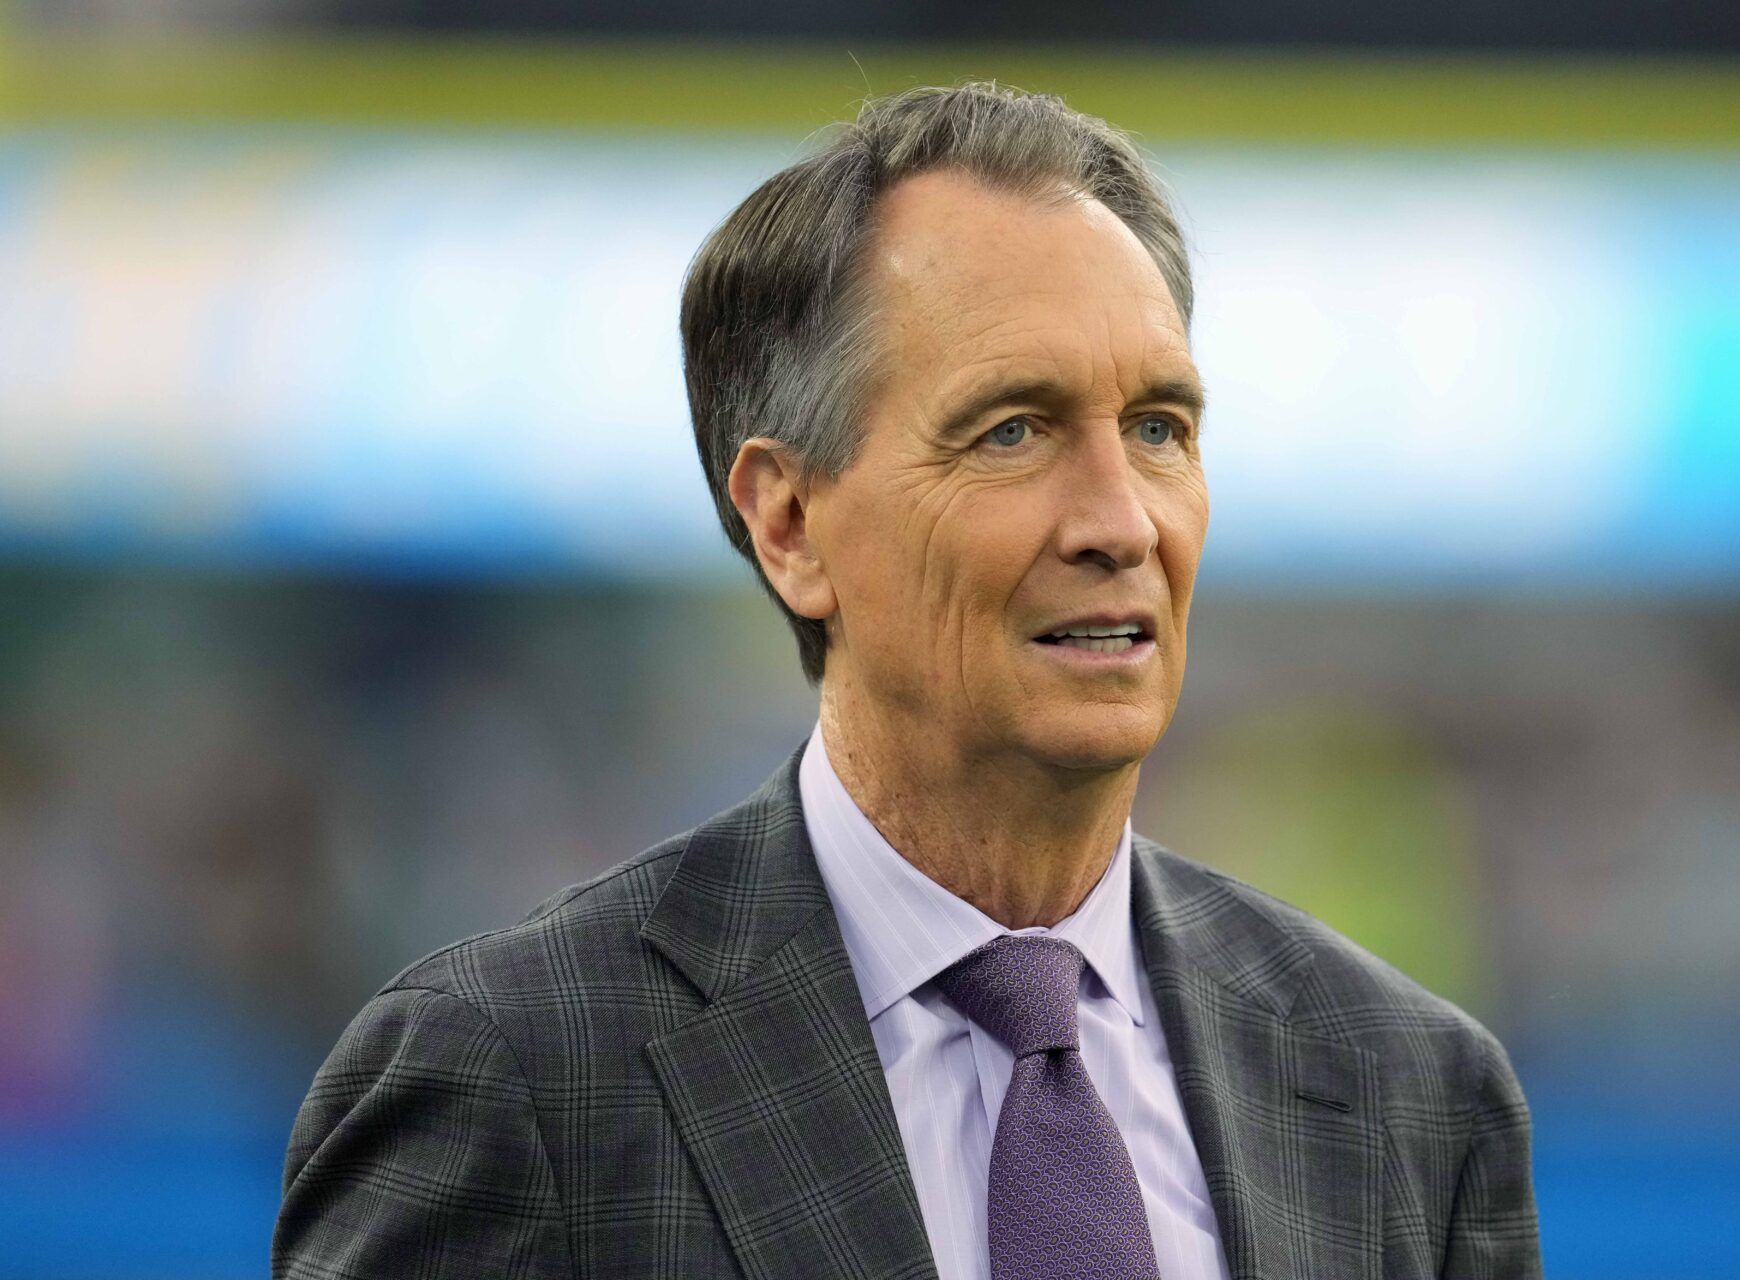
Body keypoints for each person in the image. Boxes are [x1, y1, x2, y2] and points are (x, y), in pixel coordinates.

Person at [273, 82, 1541, 1280]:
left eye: (1159, 428)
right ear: (790, 525)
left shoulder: (1407, 1092)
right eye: (1013, 430)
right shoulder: (515, 1074)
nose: (1123, 521)